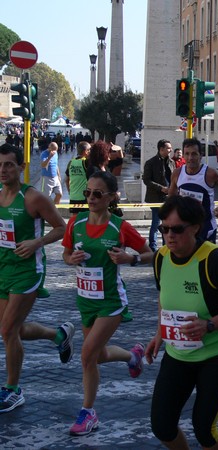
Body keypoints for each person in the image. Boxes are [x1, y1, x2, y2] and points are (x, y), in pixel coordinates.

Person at [145, 195, 218, 449]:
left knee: (204, 429)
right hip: (178, 354)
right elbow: (165, 298)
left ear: (194, 227)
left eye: (177, 229)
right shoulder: (161, 258)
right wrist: (160, 333)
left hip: (216, 354)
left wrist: (209, 325)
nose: (169, 235)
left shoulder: (213, 259)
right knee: (162, 425)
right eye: (164, 228)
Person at [62, 171, 154, 435]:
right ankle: (132, 355)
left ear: (112, 197)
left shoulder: (119, 227)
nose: (90, 198)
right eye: (87, 193)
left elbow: (150, 254)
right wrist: (71, 260)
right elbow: (66, 254)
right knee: (97, 356)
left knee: (86, 355)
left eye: (98, 194)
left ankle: (88, 413)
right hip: (85, 300)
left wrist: (131, 259)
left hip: (111, 302)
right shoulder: (75, 223)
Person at [0, 143, 72, 414]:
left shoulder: (32, 198)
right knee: (12, 331)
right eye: (0, 165)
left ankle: (13, 390)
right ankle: (58, 334)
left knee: (8, 331)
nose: (3, 170)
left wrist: (36, 242)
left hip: (27, 271)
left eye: (9, 164)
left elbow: (61, 229)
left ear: (21, 167)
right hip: (3, 269)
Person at [168, 138, 218, 243]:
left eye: (194, 154)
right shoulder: (177, 173)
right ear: (183, 155)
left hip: (206, 229)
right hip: (185, 229)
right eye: (187, 154)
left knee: (206, 259)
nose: (190, 158)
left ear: (200, 156)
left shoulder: (210, 174)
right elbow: (171, 198)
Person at [143, 139, 175, 252]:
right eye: (168, 148)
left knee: (166, 223)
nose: (171, 150)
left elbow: (174, 178)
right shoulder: (151, 162)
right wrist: (161, 188)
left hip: (168, 198)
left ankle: (166, 246)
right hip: (155, 198)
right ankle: (153, 247)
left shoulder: (171, 162)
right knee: (156, 223)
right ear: (161, 149)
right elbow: (146, 180)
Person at [65, 141, 91, 215]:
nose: (90, 152)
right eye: (89, 150)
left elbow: (66, 180)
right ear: (86, 151)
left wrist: (69, 191)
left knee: (74, 219)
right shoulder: (86, 162)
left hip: (73, 196)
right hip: (84, 196)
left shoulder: (71, 162)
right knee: (86, 219)